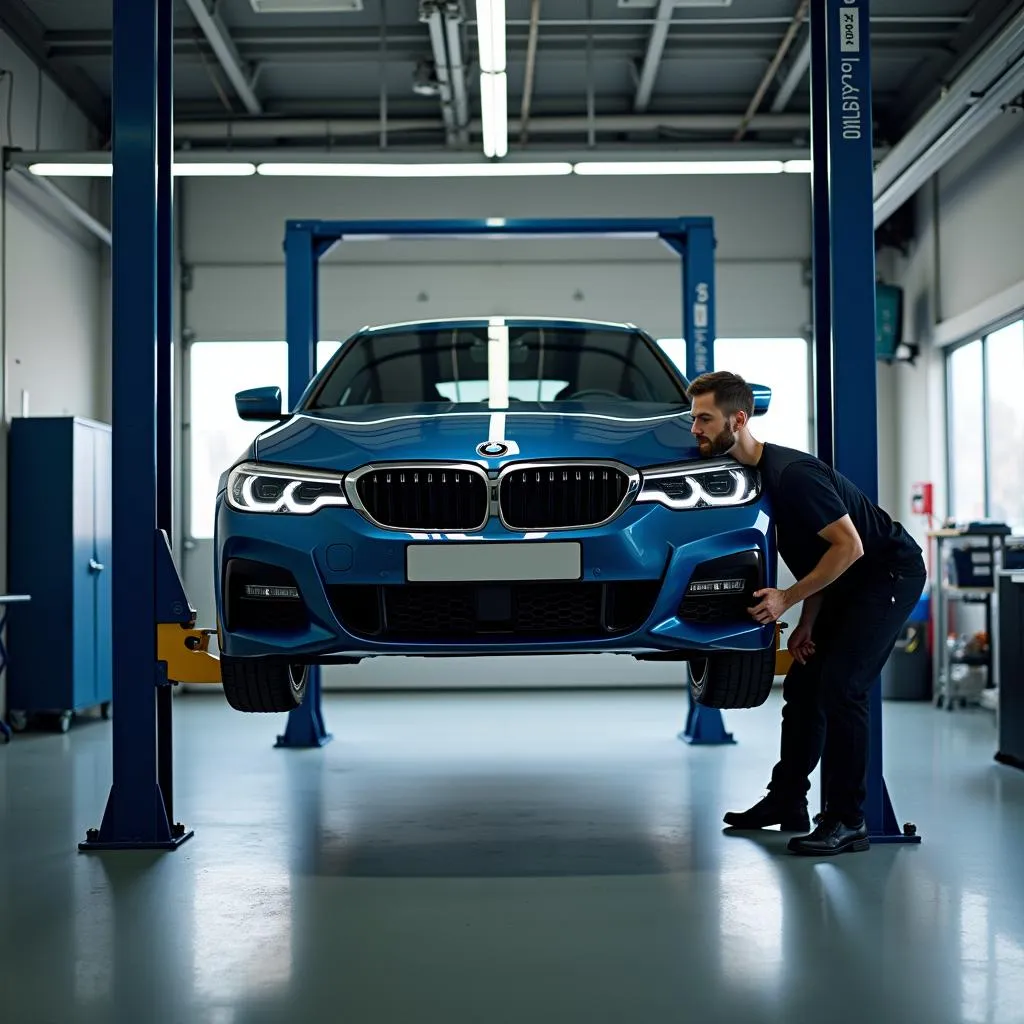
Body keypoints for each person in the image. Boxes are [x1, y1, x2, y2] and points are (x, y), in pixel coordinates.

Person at [686, 370, 926, 856]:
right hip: (845, 580)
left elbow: (849, 547)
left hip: (887, 576)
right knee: (803, 684)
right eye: (694, 419)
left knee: (842, 687)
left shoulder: (793, 476)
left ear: (739, 418)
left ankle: (847, 820)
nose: (696, 430)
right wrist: (807, 624)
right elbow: (817, 557)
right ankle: (787, 802)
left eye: (705, 419)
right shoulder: (750, 481)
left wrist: (786, 600)